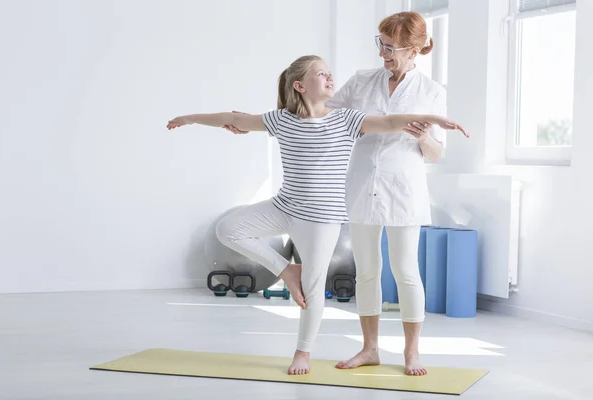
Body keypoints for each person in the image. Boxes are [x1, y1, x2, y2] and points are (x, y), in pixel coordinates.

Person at [167, 55, 467, 375]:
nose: (329, 78)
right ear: (300, 85)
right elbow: (236, 119)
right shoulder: (281, 119)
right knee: (228, 228)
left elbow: (391, 121)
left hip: (322, 218)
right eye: (321, 74)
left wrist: (434, 119)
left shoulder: (346, 119)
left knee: (313, 289)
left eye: (329, 73)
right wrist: (190, 118)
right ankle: (287, 270)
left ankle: (303, 353)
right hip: (285, 206)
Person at [325, 12, 449, 376]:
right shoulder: (363, 81)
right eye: (380, 43)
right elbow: (327, 118)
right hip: (363, 184)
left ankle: (411, 353)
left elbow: (436, 153)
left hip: (404, 189)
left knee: (406, 270)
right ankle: (370, 349)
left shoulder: (432, 92)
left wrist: (423, 135)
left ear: (414, 50)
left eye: (391, 47)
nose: (383, 53)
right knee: (366, 271)